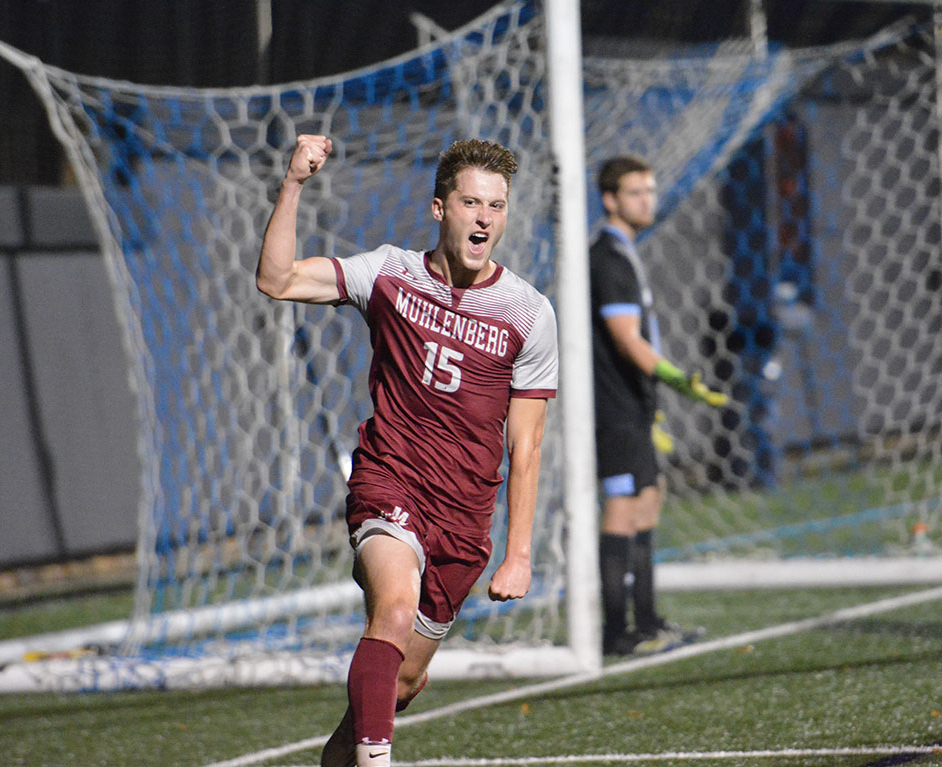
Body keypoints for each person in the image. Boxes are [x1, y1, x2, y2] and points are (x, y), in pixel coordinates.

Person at [257, 136, 558, 766]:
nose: (484, 218)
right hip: (389, 483)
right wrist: (293, 184)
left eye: (497, 206)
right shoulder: (389, 273)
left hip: (464, 519)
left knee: (400, 684)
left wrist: (519, 553)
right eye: (471, 202)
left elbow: (525, 441)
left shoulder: (528, 313)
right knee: (391, 614)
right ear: (438, 209)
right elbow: (276, 278)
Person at [589, 156, 728, 656]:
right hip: (616, 408)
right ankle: (615, 632)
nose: (648, 200)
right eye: (636, 192)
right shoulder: (606, 257)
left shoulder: (625, 252)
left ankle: (646, 620)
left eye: (651, 190)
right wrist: (677, 379)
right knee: (622, 507)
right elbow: (627, 340)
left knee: (650, 497)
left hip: (637, 406)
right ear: (610, 199)